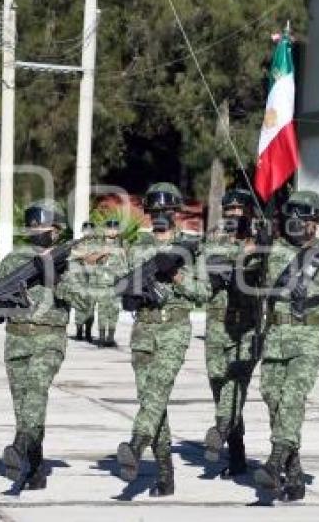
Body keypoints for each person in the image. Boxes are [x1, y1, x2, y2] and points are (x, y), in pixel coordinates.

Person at [253, 191, 319, 500]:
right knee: (272, 397)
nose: (303, 226)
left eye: (310, 221)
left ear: (318, 223)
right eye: (297, 220)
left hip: (309, 338)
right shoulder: (272, 251)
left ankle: (274, 463)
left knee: (292, 398)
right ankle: (295, 472)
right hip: (275, 338)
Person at [115, 182, 207, 497]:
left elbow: (203, 292)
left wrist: (176, 274)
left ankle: (137, 443)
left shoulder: (190, 248)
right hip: (143, 329)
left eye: (166, 210)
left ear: (176, 212)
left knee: (157, 390)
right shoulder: (136, 247)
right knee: (153, 401)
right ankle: (165, 472)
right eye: (155, 210)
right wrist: (128, 292)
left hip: (174, 330)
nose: (161, 215)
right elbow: (116, 284)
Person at [0, 199, 77, 491]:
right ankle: (35, 466)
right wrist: (13, 298)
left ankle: (20, 447)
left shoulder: (68, 261)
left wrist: (53, 277)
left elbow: (83, 300)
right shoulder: (12, 261)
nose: (36, 231)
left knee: (36, 392)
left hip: (49, 338)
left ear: (57, 231)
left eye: (43, 226)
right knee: (23, 406)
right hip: (16, 338)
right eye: (32, 226)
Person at [202, 188, 262, 479]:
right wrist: (244, 252)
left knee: (234, 389)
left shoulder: (261, 242)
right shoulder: (215, 238)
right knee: (219, 388)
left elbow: (260, 268)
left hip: (247, 330)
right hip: (216, 328)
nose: (234, 215)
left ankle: (221, 429)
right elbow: (216, 264)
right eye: (230, 210)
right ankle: (237, 455)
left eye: (240, 210)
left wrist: (258, 248)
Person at [84, 219, 128, 347]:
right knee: (103, 311)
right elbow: (88, 260)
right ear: (104, 230)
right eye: (110, 229)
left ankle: (111, 338)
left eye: (115, 229)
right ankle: (102, 338)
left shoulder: (123, 244)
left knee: (114, 311)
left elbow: (127, 264)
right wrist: (102, 253)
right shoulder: (97, 243)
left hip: (116, 282)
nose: (112, 231)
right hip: (101, 283)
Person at [72, 221, 101, 343]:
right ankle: (79, 330)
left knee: (90, 307)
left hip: (93, 279)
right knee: (79, 306)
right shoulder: (77, 243)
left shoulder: (98, 244)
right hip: (80, 279)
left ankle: (88, 332)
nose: (88, 232)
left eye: (90, 230)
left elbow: (102, 258)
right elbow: (73, 256)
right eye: (86, 230)